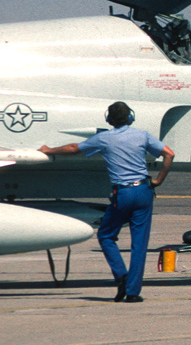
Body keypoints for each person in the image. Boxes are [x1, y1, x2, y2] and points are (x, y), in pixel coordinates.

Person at [40, 101, 173, 303]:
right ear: (131, 117)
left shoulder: (104, 138)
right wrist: (158, 180)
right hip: (144, 191)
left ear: (109, 119)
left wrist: (49, 150)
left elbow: (74, 148)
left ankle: (121, 275)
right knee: (139, 243)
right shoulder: (142, 135)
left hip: (123, 193)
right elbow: (169, 154)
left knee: (106, 235)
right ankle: (133, 292)